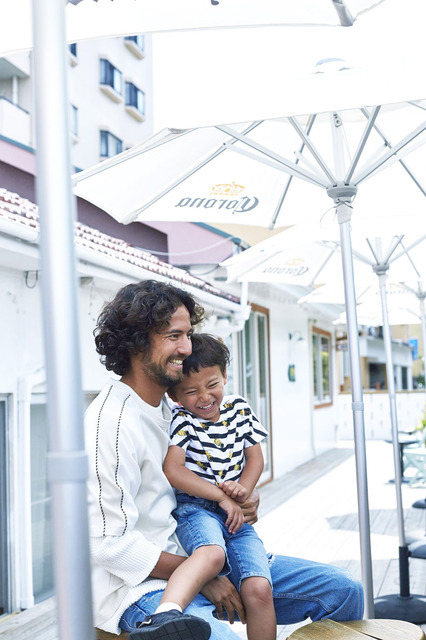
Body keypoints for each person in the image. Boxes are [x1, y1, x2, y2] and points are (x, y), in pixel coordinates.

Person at [85, 279, 364, 640]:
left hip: (207, 553)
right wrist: (204, 575)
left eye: (188, 334)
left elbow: (221, 467)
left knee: (343, 591)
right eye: (174, 335)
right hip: (140, 587)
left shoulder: (179, 408)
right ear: (138, 341)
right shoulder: (111, 421)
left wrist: (240, 496)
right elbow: (106, 544)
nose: (186, 347)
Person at [160, 333, 276, 640]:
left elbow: (255, 458)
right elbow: (173, 470)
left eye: (212, 385)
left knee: (259, 588)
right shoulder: (183, 420)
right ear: (176, 397)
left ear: (224, 376)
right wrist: (220, 497)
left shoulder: (239, 409)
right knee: (211, 553)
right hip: (197, 510)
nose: (205, 397)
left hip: (235, 514)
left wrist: (242, 492)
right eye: (191, 391)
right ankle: (166, 613)